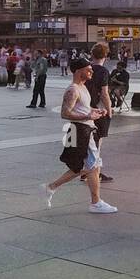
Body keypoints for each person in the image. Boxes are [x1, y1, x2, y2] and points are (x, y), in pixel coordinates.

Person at [42, 57, 116, 214]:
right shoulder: (73, 89)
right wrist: (88, 117)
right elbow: (65, 113)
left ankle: (52, 187)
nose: (91, 71)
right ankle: (95, 203)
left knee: (88, 167)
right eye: (88, 69)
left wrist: (93, 111)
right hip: (81, 131)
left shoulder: (83, 87)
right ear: (78, 71)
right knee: (92, 167)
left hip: (86, 130)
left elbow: (83, 108)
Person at [85, 42, 114, 182]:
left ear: (92, 54)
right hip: (99, 109)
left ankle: (86, 170)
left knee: (89, 140)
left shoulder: (86, 69)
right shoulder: (103, 71)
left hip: (85, 108)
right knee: (97, 141)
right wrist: (109, 111)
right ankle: (95, 171)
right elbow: (104, 94)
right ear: (106, 56)